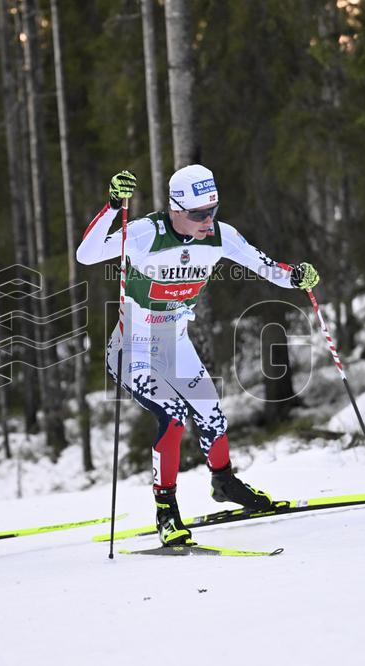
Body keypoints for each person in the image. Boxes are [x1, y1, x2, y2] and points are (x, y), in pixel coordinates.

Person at [76, 166, 321, 546]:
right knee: (173, 415)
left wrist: (295, 276)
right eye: (198, 214)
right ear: (175, 209)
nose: (208, 221)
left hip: (174, 344)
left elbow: (266, 266)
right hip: (133, 349)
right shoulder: (145, 233)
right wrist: (112, 206)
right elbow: (87, 255)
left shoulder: (221, 236)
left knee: (211, 413)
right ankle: (166, 511)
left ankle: (224, 483)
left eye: (212, 210)